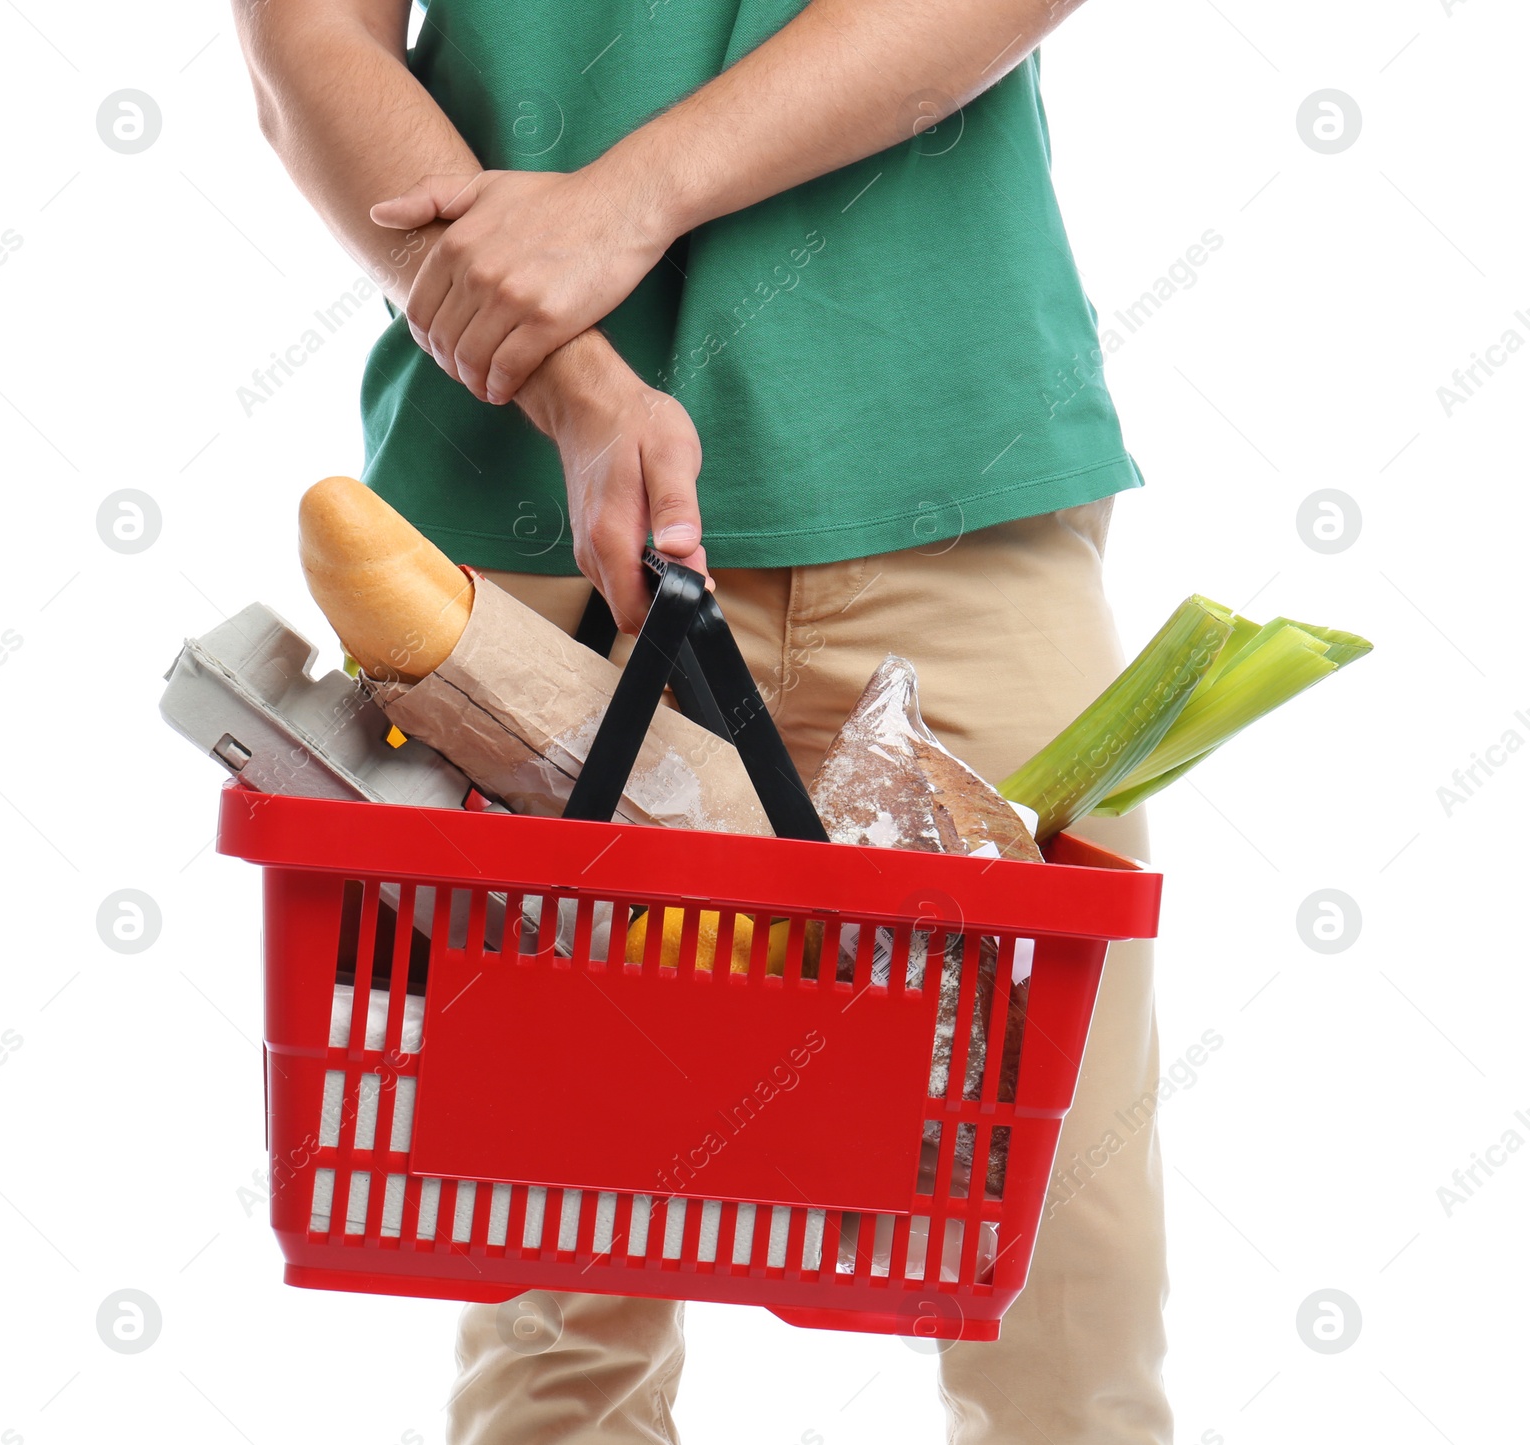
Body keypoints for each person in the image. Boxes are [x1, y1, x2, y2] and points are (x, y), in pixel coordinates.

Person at [235, 2, 1172, 1441]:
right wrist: (576, 385)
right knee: (559, 1300)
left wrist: (629, 202)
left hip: (946, 479)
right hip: (531, 531)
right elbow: (308, 54)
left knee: (1059, 1278)